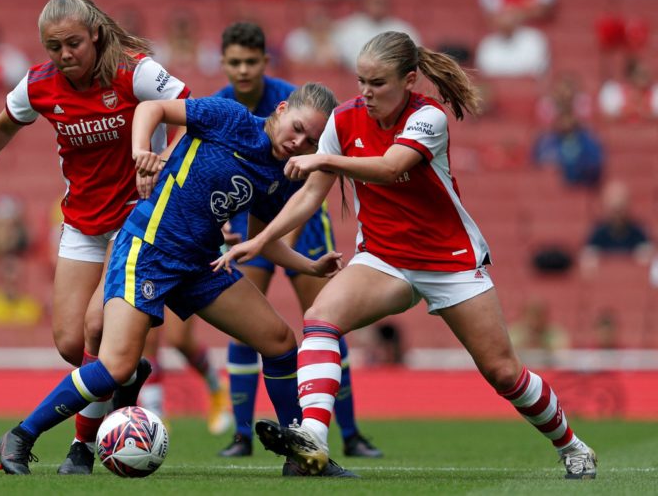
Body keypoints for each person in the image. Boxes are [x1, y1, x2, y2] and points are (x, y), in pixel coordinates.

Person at [215, 31, 598, 480]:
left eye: (377, 83)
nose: (366, 92)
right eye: (361, 81)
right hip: (383, 259)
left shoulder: (428, 118)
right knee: (321, 316)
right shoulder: (343, 120)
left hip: (450, 261)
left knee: (503, 373)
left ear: (409, 79)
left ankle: (573, 447)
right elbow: (309, 197)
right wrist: (262, 241)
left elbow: (390, 167)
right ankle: (314, 440)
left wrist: (324, 160)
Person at [0, 83, 356, 478]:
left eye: (311, 140)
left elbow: (261, 239)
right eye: (298, 127)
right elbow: (152, 107)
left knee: (281, 342)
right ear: (282, 109)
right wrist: (141, 152)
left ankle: (300, 458)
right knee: (115, 365)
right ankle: (20, 436)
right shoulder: (229, 117)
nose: (298, 141)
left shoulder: (282, 175)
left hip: (199, 264)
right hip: (148, 249)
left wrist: (309, 265)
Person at [0, 0, 190, 475]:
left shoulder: (135, 71)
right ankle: (130, 375)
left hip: (137, 218)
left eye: (73, 43)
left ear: (94, 34)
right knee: (73, 345)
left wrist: (164, 160)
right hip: (82, 222)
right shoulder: (39, 85)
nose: (65, 54)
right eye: (54, 47)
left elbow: (191, 113)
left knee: (98, 327)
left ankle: (81, 450)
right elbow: (2, 124)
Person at [211, 21, 381, 459]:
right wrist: (229, 225)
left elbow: (319, 173)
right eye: (235, 62)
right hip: (250, 226)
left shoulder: (299, 102)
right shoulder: (221, 106)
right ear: (224, 63)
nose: (244, 69)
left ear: (265, 63)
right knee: (245, 324)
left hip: (302, 223)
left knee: (325, 321)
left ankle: (350, 431)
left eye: (251, 61)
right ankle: (242, 434)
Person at [580, 180, 652, 274]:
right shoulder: (597, 233)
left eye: (620, 209)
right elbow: (587, 256)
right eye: (614, 210)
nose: (617, 215)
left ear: (628, 206)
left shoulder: (638, 232)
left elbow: (649, 256)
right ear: (606, 208)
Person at [532, 107, 604, 189]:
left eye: (568, 117)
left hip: (579, 185)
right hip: (551, 190)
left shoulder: (587, 140)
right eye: (562, 118)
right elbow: (537, 163)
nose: (565, 122)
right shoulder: (546, 141)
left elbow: (594, 165)